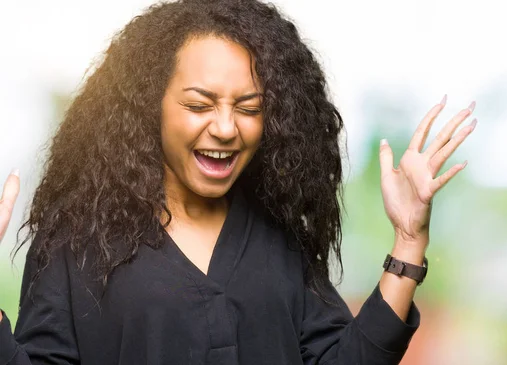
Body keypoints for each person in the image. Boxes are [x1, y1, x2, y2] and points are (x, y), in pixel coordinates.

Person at [0, 0, 477, 364]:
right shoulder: (77, 243)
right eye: (199, 105)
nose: (227, 128)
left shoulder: (281, 241)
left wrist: (410, 241)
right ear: (150, 107)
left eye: (249, 109)